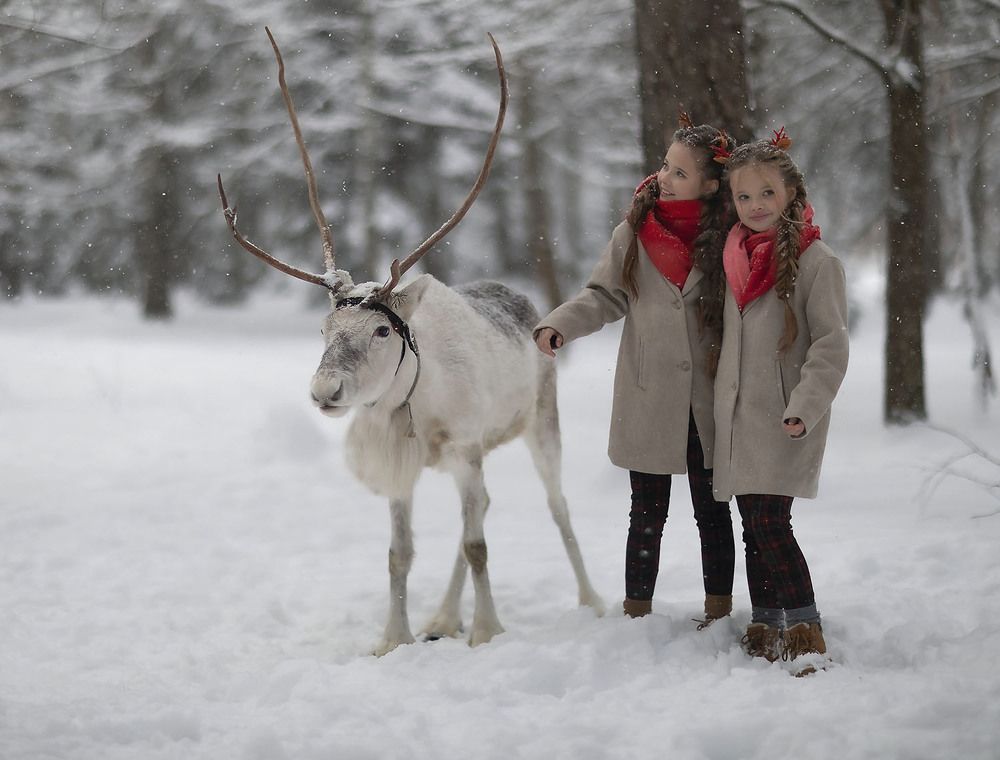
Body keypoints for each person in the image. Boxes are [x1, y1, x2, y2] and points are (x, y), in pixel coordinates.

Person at [534, 117, 736, 625]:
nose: (665, 177)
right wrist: (560, 324)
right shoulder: (637, 232)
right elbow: (604, 295)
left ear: (711, 185)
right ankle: (636, 612)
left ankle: (718, 609)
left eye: (680, 173)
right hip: (650, 393)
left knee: (712, 511)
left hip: (710, 395)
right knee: (646, 513)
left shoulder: (731, 237)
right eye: (666, 165)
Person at [713, 129, 849, 675]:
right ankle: (767, 623)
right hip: (740, 415)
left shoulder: (817, 261)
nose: (755, 206)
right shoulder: (732, 255)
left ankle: (805, 627)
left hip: (787, 415)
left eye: (767, 193)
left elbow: (831, 345)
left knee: (771, 522)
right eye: (744, 197)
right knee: (752, 521)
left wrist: (804, 406)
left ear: (790, 191)